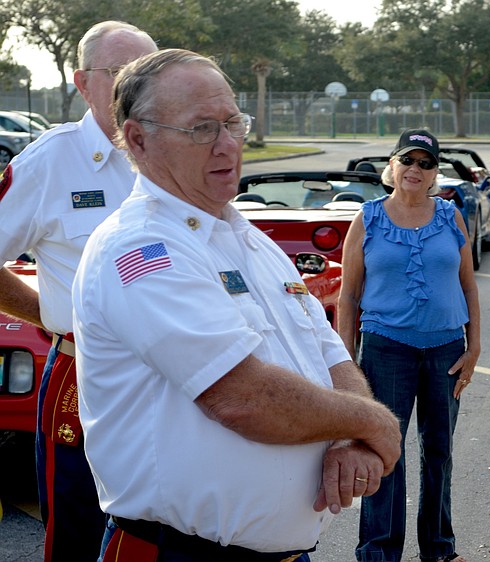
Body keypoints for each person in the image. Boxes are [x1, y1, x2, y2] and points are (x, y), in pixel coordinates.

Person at [71, 47, 401, 562]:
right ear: (138, 139)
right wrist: (374, 423)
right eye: (202, 128)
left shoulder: (249, 240)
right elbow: (242, 399)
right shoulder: (140, 248)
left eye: (232, 123)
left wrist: (346, 435)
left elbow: (328, 353)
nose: (227, 145)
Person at [0, 21, 157, 561]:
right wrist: (46, 313)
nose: (135, 86)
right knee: (78, 528)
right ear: (83, 82)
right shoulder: (51, 162)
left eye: (148, 72)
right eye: (119, 73)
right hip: (84, 374)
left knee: (166, 532)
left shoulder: (179, 155)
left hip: (183, 377)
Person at [338, 128, 480, 562]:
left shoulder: (450, 216)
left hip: (446, 351)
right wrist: (347, 361)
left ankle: (439, 548)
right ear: (392, 167)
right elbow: (348, 295)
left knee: (439, 452)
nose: (415, 169)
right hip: (386, 349)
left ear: (435, 172)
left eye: (425, 163)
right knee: (384, 451)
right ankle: (378, 551)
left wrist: (473, 348)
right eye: (408, 161)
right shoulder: (368, 217)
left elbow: (469, 286)